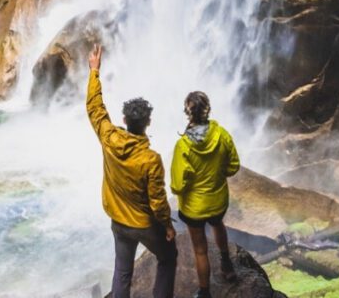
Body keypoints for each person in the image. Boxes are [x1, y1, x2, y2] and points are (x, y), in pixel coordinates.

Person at [86, 44, 177, 298]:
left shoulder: (109, 138)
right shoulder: (151, 159)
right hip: (144, 224)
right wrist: (168, 226)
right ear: (148, 123)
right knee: (168, 257)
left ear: (124, 121)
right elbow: (157, 201)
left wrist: (94, 71)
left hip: (118, 220)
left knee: (122, 270)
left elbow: (95, 109)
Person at [170, 91, 241, 298]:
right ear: (208, 109)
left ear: (188, 112)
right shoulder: (222, 135)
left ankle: (204, 292)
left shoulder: (183, 146)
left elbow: (176, 185)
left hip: (194, 208)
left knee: (200, 250)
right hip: (218, 200)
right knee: (218, 225)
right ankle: (226, 263)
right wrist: (218, 175)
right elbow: (234, 166)